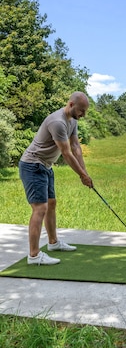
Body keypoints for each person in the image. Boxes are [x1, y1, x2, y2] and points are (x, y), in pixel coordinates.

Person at [19, 91, 93, 265]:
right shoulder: (57, 122)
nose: (83, 114)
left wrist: (85, 172)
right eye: (82, 110)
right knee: (40, 208)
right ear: (71, 105)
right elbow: (66, 154)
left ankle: (53, 243)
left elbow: (76, 147)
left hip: (46, 166)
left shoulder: (73, 121)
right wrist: (82, 176)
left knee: (51, 203)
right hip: (33, 165)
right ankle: (34, 255)